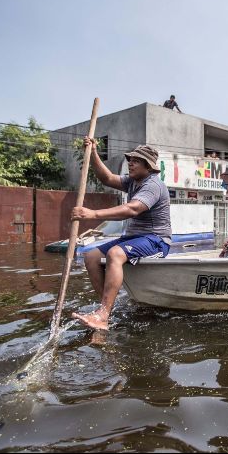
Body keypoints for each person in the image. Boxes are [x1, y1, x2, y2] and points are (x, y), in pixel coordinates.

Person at [70, 140, 172, 330]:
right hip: (134, 238)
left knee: (115, 253)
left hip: (156, 240)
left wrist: (93, 214)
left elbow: (132, 209)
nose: (130, 163)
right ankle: (107, 307)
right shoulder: (132, 181)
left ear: (148, 167)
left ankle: (103, 315)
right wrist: (93, 152)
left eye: (136, 161)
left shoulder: (153, 185)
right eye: (130, 160)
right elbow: (107, 178)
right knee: (91, 256)